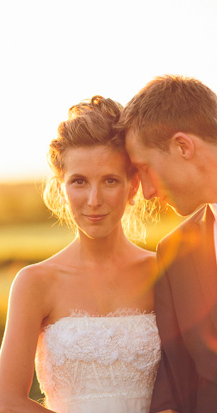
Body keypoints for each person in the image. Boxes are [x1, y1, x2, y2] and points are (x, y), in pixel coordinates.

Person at [0, 96, 161, 412]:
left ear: (133, 186)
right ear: (61, 188)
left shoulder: (163, 272)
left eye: (110, 180)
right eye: (79, 182)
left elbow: (191, 388)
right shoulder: (35, 282)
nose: (94, 199)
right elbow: (9, 403)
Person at [119, 74, 217, 413]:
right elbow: (176, 379)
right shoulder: (174, 253)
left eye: (144, 168)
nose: (146, 192)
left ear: (183, 146)